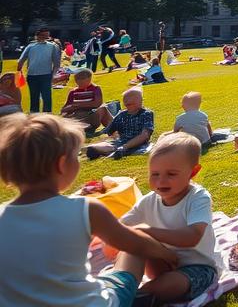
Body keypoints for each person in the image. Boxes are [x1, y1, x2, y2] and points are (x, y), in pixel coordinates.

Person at [0, 113, 179, 307]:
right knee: (136, 241)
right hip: (88, 303)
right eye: (76, 156)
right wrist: (168, 254)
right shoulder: (84, 209)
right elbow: (135, 244)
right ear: (61, 164)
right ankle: (147, 294)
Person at [105, 133, 224, 303]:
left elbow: (192, 237)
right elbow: (119, 229)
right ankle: (117, 288)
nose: (161, 181)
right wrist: (107, 233)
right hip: (160, 263)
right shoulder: (149, 201)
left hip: (196, 267)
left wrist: (148, 231)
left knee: (172, 284)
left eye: (171, 174)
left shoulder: (198, 197)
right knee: (132, 243)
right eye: (155, 174)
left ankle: (137, 298)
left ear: (193, 172)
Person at [87, 88, 154, 159]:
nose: (127, 106)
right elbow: (108, 131)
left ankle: (120, 150)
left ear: (140, 101)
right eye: (126, 104)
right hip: (120, 142)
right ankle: (111, 151)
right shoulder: (122, 115)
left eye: (130, 104)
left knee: (122, 147)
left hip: (139, 143)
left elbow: (145, 135)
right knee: (93, 148)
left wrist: (124, 147)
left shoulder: (146, 114)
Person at [17, 27, 61, 113]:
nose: (45, 37)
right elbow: (21, 61)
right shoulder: (30, 46)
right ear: (37, 35)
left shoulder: (52, 46)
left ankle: (47, 116)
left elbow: (56, 63)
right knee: (34, 97)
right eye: (43, 35)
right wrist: (19, 72)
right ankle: (34, 116)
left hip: (46, 75)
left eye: (46, 35)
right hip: (32, 75)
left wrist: (54, 75)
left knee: (46, 97)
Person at [60, 68, 104, 134]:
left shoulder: (95, 89)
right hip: (78, 116)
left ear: (89, 79)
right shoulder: (73, 92)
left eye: (81, 79)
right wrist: (70, 108)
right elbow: (64, 109)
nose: (77, 81)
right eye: (76, 79)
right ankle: (81, 127)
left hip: (92, 115)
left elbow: (97, 104)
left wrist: (77, 105)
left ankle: (112, 129)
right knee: (65, 116)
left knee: (103, 109)